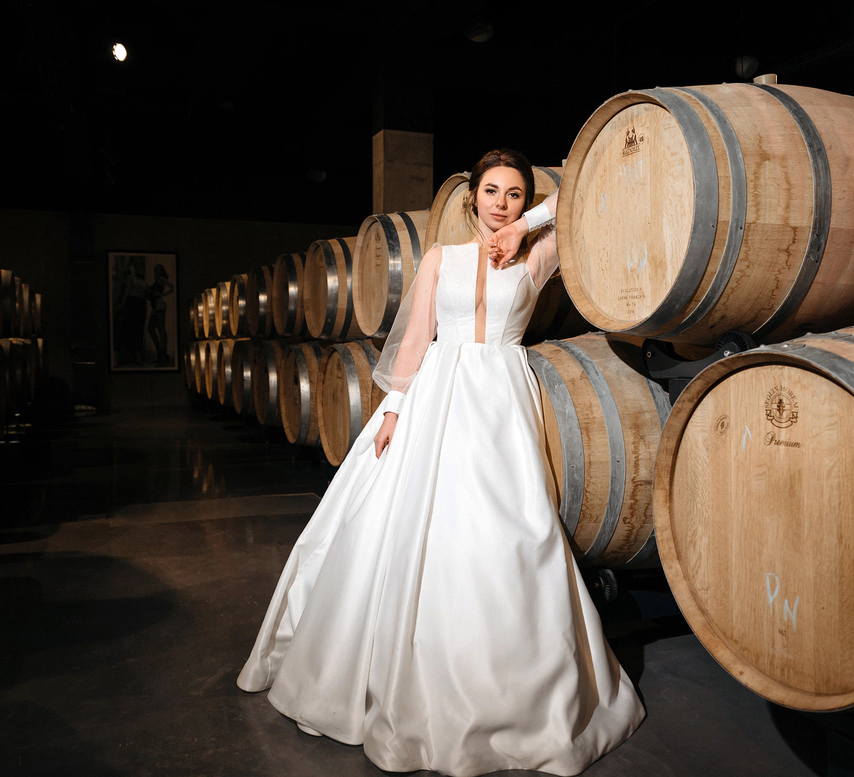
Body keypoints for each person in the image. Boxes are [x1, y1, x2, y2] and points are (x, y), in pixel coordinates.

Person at [237, 149, 644, 777]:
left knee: (510, 531)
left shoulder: (537, 257)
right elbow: (416, 338)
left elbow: (580, 198)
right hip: (435, 396)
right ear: (472, 197)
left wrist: (527, 225)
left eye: (514, 193)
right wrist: (395, 409)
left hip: (502, 404)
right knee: (411, 524)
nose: (500, 203)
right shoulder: (439, 259)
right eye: (492, 191)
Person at [147, 263, 174, 365]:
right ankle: (161, 353)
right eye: (155, 269)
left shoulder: (162, 279)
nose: (156, 271)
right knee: (151, 328)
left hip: (159, 305)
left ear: (161, 271)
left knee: (161, 329)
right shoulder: (156, 281)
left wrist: (162, 294)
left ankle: (163, 355)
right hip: (155, 306)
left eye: (158, 269)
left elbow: (172, 287)